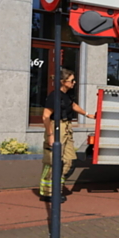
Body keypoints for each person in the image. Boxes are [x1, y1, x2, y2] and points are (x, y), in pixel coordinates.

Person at [39, 69, 96, 203]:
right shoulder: (54, 96)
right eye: (72, 80)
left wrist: (88, 115)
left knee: (69, 161)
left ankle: (56, 188)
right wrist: (50, 135)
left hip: (66, 127)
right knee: (54, 161)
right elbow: (45, 116)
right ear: (63, 82)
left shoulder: (66, 95)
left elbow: (73, 105)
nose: (74, 83)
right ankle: (49, 193)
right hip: (56, 127)